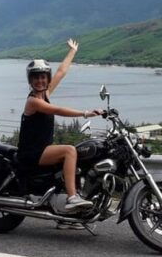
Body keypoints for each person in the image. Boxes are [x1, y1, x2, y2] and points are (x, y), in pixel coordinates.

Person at [17, 39, 103, 212]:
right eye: (36, 78)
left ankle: (71, 213)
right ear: (30, 80)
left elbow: (61, 72)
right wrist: (85, 113)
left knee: (78, 157)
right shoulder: (33, 101)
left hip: (43, 148)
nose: (40, 81)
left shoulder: (45, 94)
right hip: (32, 153)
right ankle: (72, 198)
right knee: (69, 150)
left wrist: (73, 51)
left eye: (43, 77)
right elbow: (58, 110)